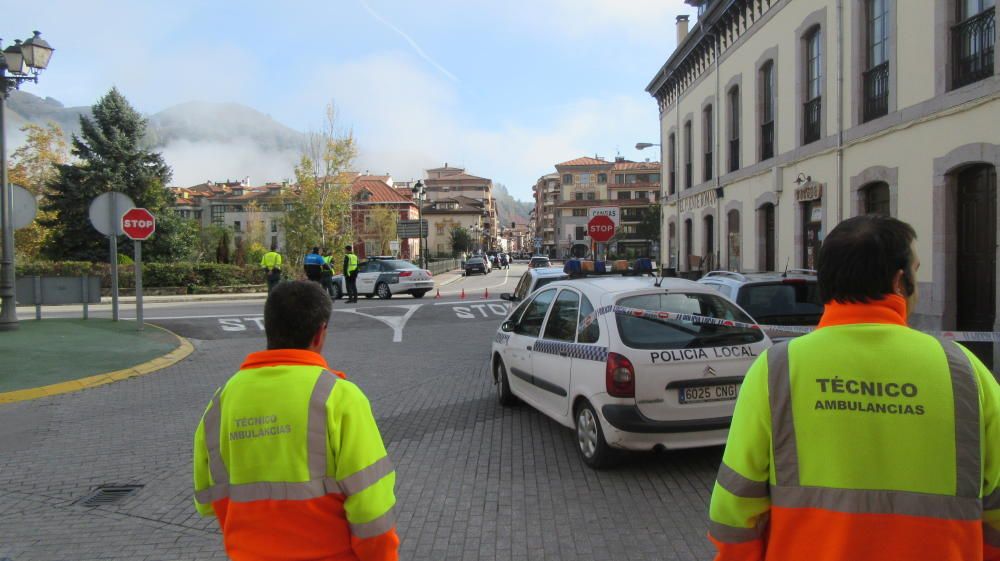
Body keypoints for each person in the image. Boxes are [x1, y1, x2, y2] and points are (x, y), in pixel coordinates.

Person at [707, 215, 1000, 561]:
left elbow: (734, 506)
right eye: (916, 271)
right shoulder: (965, 371)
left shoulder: (777, 370)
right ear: (899, 280)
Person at [193, 281, 399, 561]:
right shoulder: (339, 398)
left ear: (269, 327)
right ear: (320, 332)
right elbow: (372, 509)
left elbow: (207, 498)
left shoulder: (221, 401)